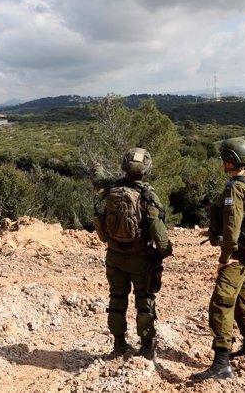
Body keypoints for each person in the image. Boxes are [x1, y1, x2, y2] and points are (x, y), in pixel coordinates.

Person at [91, 148, 173, 360]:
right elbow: (158, 233)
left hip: (114, 256)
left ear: (124, 166)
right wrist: (164, 252)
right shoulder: (148, 195)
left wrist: (95, 167)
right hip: (140, 258)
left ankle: (118, 344)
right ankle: (146, 347)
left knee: (117, 298)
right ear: (146, 169)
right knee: (144, 300)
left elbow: (97, 180)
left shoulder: (110, 189)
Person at [191, 137, 245, 381]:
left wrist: (225, 257)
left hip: (237, 254)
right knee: (243, 296)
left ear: (231, 160)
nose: (222, 161)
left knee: (221, 304)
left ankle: (221, 363)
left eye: (224, 158)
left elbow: (232, 227)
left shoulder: (236, 188)